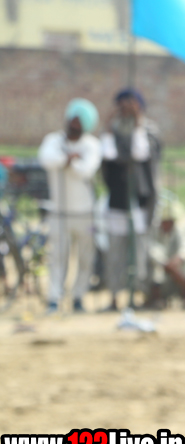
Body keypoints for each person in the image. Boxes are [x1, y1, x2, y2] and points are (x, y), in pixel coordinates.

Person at [100, 88, 162, 311]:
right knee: (115, 252)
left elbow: (141, 154)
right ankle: (114, 296)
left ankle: (137, 294)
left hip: (140, 200)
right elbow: (108, 156)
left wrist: (137, 124)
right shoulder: (113, 130)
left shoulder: (149, 130)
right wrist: (109, 126)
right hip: (117, 198)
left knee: (139, 252)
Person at [38, 98, 102, 314]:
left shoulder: (91, 144)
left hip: (85, 212)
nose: (74, 125)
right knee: (58, 257)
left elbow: (86, 170)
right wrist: (69, 158)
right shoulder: (53, 140)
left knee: (85, 258)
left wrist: (68, 162)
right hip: (58, 211)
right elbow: (47, 159)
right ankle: (54, 298)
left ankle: (78, 297)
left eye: (79, 122)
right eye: (72, 120)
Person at [145, 198, 185, 308]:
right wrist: (165, 263)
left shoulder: (179, 229)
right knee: (156, 269)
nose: (168, 224)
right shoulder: (153, 230)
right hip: (161, 267)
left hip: (176, 267)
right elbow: (151, 249)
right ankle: (157, 299)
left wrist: (179, 259)